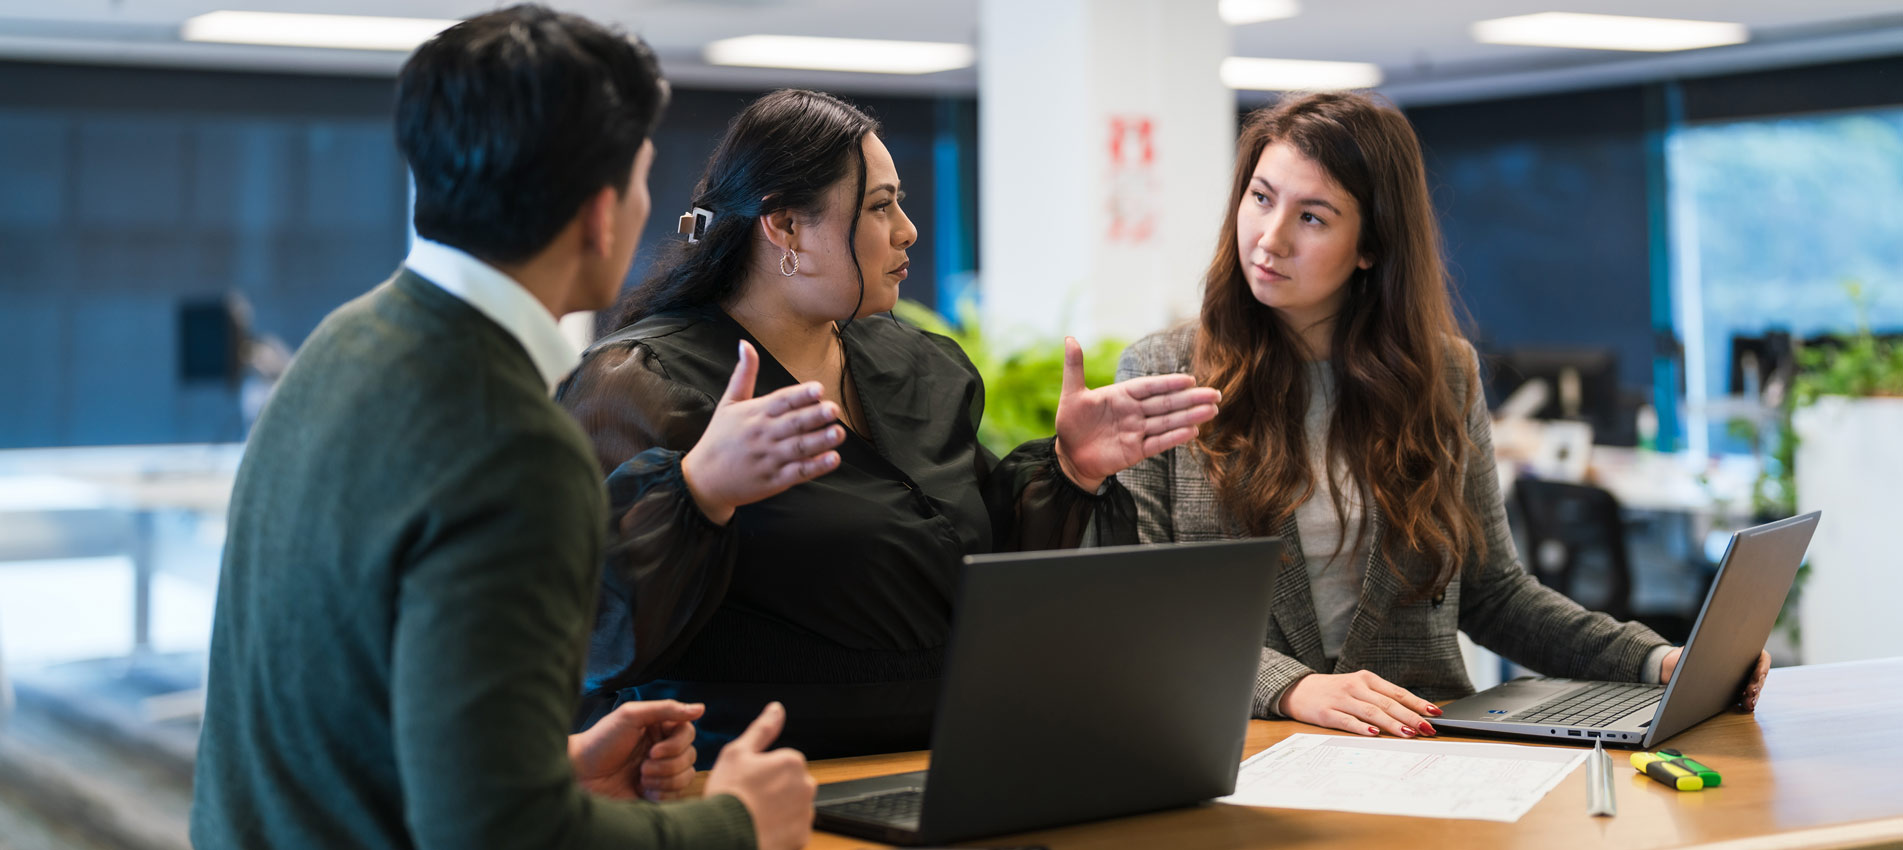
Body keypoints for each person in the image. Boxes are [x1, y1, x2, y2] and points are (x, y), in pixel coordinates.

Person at [190, 8, 814, 849]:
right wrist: (737, 824)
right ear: (600, 215)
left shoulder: (340, 343)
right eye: (640, 182)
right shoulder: (514, 442)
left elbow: (345, 716)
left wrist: (543, 766)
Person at [557, 88, 1219, 765]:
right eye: (879, 207)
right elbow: (586, 635)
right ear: (784, 228)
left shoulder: (917, 365)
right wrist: (697, 492)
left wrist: (1069, 468)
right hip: (762, 780)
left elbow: (963, 569)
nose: (906, 230)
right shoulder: (640, 384)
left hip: (948, 762)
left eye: (898, 202)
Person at [1114, 91, 1770, 739]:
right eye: (1260, 198)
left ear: (1369, 245)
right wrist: (1291, 689)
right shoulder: (1161, 373)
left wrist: (1655, 662)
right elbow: (1144, 606)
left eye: (1312, 217)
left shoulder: (1441, 377)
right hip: (1240, 744)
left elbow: (1492, 594)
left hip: (1426, 749)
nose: (1270, 237)